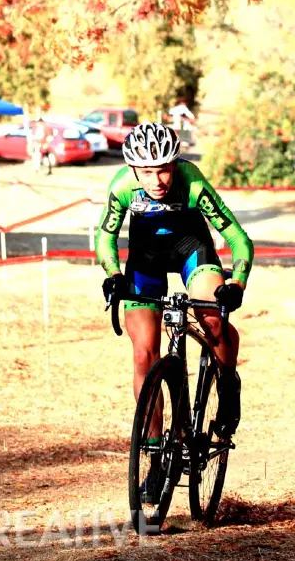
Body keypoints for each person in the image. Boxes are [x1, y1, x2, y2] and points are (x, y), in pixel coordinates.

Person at [95, 121, 253, 500]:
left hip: (190, 249)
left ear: (175, 163)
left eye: (164, 168)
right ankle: (155, 456)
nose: (157, 179)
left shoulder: (192, 182)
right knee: (143, 354)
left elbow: (237, 237)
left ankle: (228, 382)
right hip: (146, 258)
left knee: (212, 317)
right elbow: (105, 236)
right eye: (147, 171)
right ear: (133, 169)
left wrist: (237, 283)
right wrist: (114, 273)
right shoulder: (120, 187)